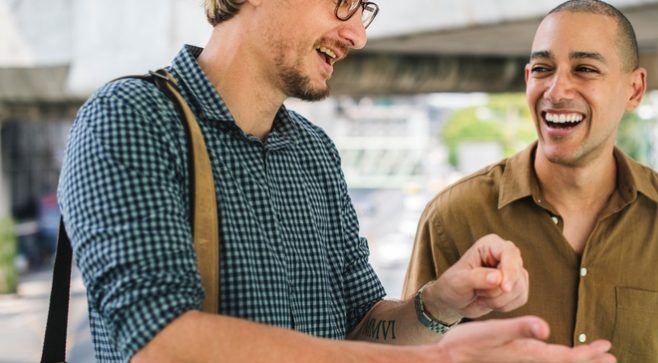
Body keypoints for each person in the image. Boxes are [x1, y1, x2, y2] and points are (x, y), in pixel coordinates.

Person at [57, 0, 617, 362]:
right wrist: (439, 359)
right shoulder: (130, 117)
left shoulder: (313, 151)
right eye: (342, 2)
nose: (358, 34)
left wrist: (441, 304)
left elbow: (359, 324)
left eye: (363, 10)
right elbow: (161, 344)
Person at [403, 1, 658, 362]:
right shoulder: (452, 215)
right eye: (544, 69)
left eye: (585, 69)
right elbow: (402, 354)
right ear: (528, 78)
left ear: (634, 90)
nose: (557, 91)